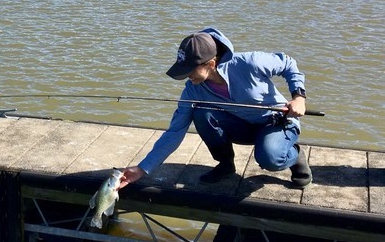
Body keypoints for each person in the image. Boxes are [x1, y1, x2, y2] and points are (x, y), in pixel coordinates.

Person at [118, 27, 312, 190]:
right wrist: (142, 169)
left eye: (190, 70)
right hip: (243, 127)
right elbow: (174, 131)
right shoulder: (192, 91)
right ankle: (226, 164)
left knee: (270, 158)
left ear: (210, 63)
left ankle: (295, 157)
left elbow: (288, 64)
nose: (187, 76)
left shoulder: (249, 63)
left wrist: (298, 97)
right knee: (201, 113)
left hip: (278, 122)